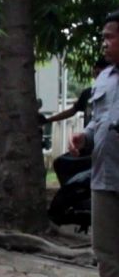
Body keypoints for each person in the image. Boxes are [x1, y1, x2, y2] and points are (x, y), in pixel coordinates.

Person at [69, 10, 119, 277]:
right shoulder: (104, 79)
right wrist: (83, 137)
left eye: (109, 36)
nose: (104, 43)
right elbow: (96, 120)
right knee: (105, 248)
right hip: (105, 175)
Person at [44, 58, 110, 187]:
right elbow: (72, 111)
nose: (98, 78)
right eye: (95, 74)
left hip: (104, 147)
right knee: (61, 164)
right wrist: (49, 120)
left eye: (101, 74)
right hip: (87, 144)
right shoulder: (88, 93)